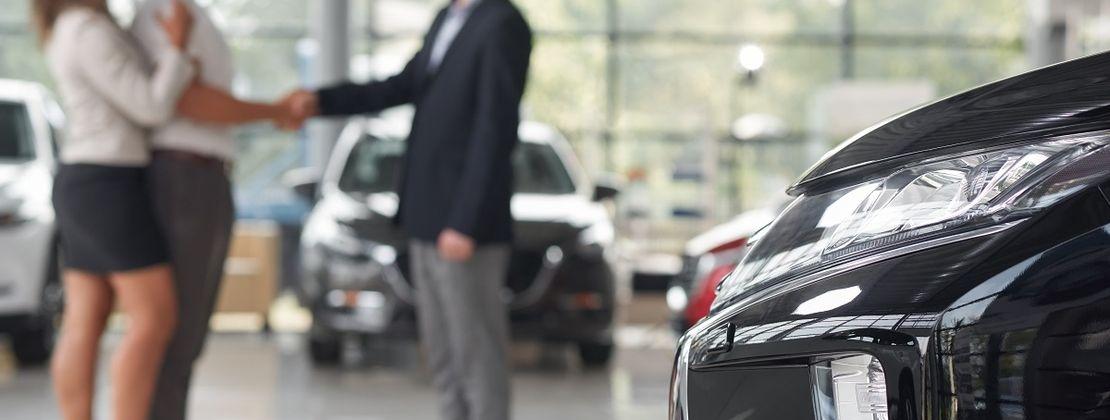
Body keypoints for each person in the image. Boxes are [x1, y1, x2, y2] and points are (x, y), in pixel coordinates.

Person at [34, 1, 299, 419]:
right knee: (154, 320)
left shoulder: (84, 25)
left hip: (93, 178)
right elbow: (152, 106)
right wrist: (177, 52)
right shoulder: (88, 29)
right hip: (107, 181)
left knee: (86, 316)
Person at [286, 0, 532, 419]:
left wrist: (466, 221)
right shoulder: (448, 18)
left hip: (463, 226)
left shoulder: (501, 23)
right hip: (425, 216)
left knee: (476, 352)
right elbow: (401, 86)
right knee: (442, 353)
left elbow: (496, 127)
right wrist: (321, 101)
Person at [128, 2, 306, 419]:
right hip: (182, 179)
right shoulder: (160, 10)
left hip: (202, 178)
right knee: (175, 331)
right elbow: (191, 101)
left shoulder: (189, 12)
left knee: (188, 331)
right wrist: (276, 112)